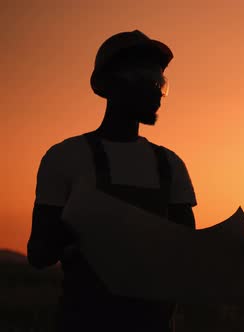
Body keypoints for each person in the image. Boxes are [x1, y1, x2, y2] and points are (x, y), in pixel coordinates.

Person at [27, 30, 197, 332]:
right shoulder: (65, 157)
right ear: (111, 84)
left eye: (161, 83)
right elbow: (39, 254)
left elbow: (188, 252)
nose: (157, 91)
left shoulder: (170, 165)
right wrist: (79, 224)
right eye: (147, 80)